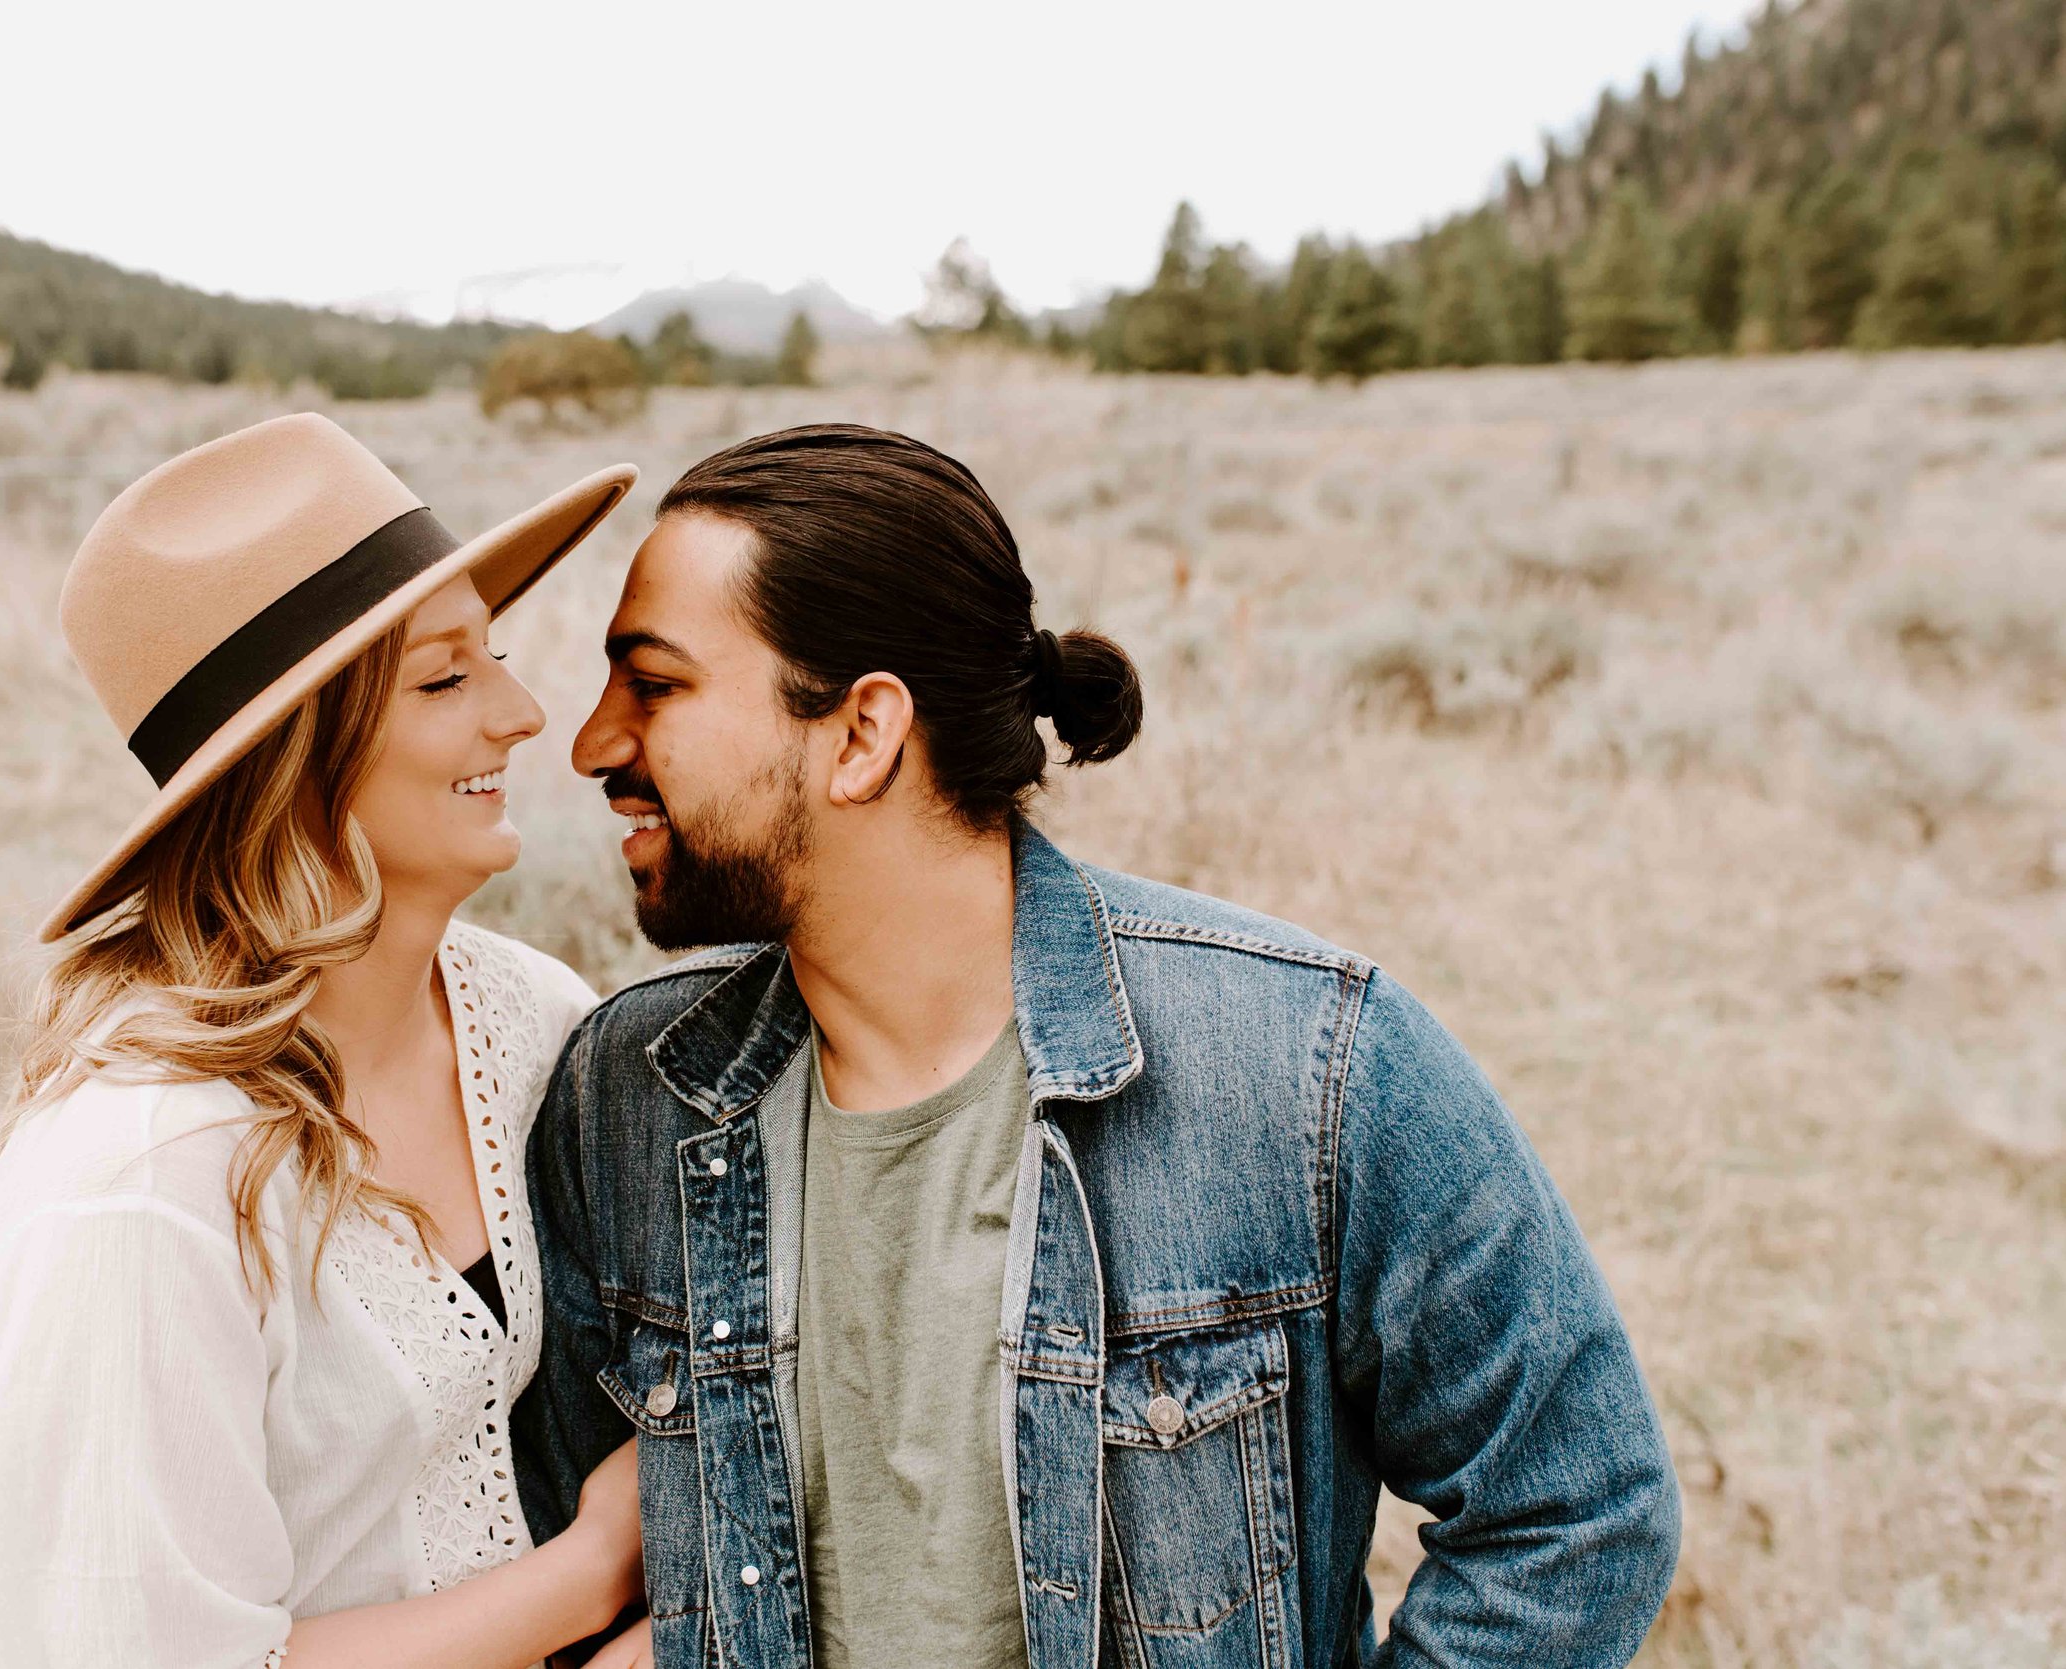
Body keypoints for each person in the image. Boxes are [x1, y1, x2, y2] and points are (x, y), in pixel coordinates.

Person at [511, 423, 1682, 1669]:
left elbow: (1574, 1509)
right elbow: (568, 1547)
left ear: (861, 735)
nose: (590, 743)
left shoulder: (1303, 1065)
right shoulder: (624, 1100)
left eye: (653, 684)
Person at [0, 413, 654, 1669]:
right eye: (444, 677)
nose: (524, 714)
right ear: (290, 759)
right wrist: (589, 1579)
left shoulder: (533, 1019)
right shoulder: (137, 1184)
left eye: (497, 657)